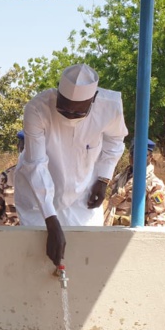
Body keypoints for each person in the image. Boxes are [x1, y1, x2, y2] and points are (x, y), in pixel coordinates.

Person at [14, 63, 128, 266]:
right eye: (63, 108)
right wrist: (50, 219)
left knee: (84, 260)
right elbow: (36, 164)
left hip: (83, 195)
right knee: (37, 262)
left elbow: (115, 141)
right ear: (58, 92)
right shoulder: (37, 108)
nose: (69, 116)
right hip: (37, 197)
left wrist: (103, 178)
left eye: (78, 113)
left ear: (93, 99)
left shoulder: (110, 107)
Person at [104, 139, 165, 227]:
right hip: (113, 229)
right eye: (133, 154)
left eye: (143, 155)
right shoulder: (119, 178)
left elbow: (157, 220)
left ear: (150, 157)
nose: (137, 158)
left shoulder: (154, 184)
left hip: (135, 231)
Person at [0, 130, 24, 226]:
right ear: (18, 147)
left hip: (39, 231)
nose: (26, 152)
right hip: (11, 232)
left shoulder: (50, 176)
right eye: (23, 147)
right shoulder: (6, 177)